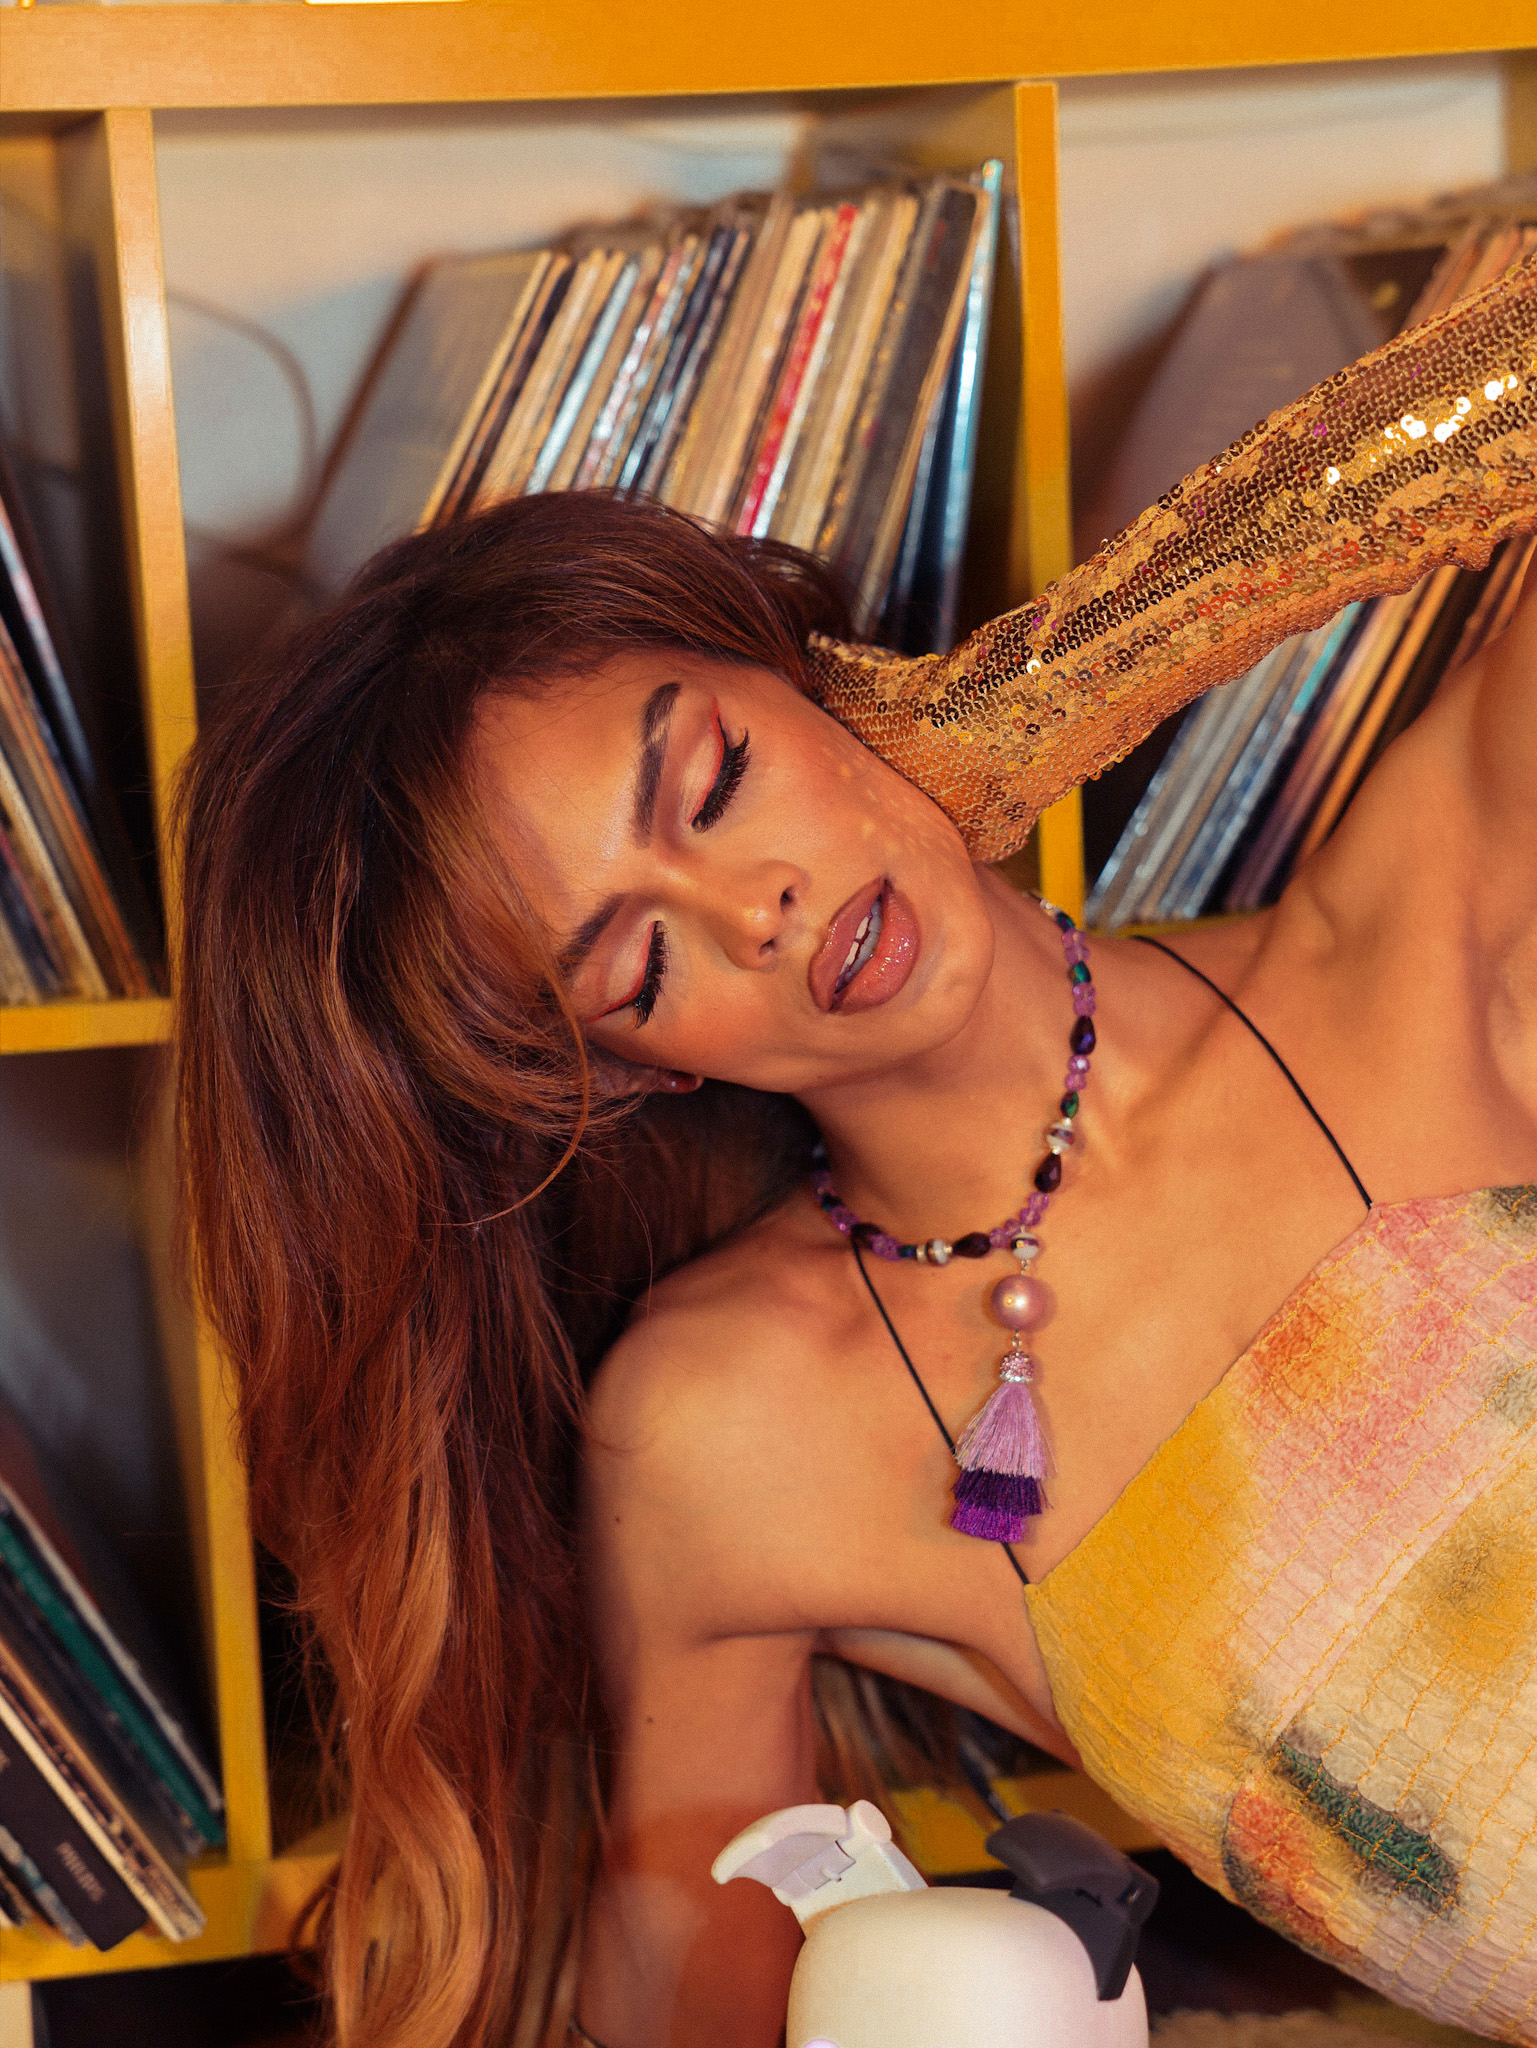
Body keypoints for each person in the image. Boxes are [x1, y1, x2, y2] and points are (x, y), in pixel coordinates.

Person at [175, 258, 1537, 2048]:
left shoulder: (1423, 928)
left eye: (717, 778)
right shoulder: (734, 1429)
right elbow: (696, 2009)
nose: (754, 907)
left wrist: (1067, 666)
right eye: (636, 962)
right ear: (629, 1070)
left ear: (801, 679)